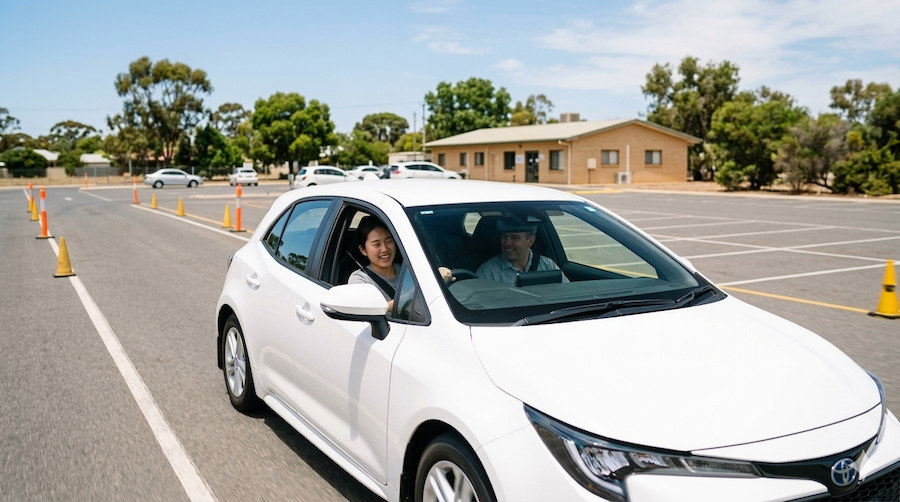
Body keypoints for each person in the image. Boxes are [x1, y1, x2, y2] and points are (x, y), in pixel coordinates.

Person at [476, 216, 568, 286]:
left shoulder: (547, 266)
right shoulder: (487, 272)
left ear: (531, 241)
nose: (507, 243)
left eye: (514, 238)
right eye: (504, 236)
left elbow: (566, 292)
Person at [349, 216, 400, 309]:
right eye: (377, 244)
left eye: (389, 241)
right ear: (363, 250)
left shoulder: (408, 271)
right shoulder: (360, 279)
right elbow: (367, 311)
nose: (384, 249)